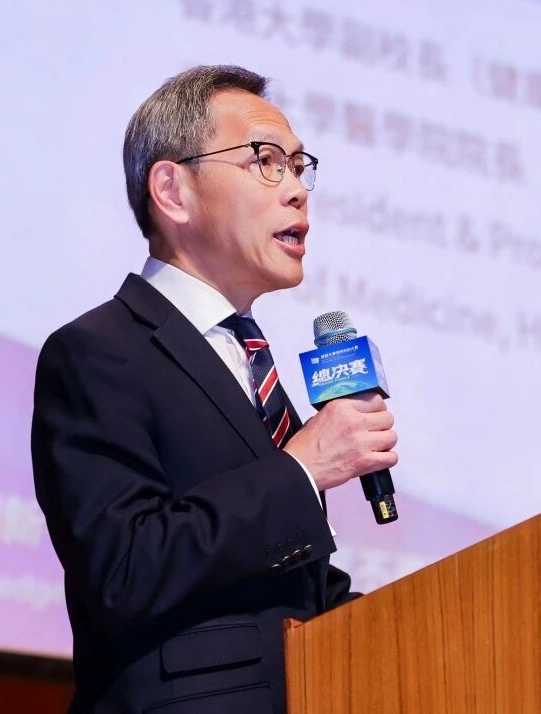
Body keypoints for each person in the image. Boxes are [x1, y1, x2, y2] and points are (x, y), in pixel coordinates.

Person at [31, 65, 398, 714]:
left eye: (299, 166)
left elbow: (283, 594)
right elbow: (123, 568)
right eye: (266, 162)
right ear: (173, 191)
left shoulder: (251, 359)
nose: (297, 190)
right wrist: (304, 467)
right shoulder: (97, 352)